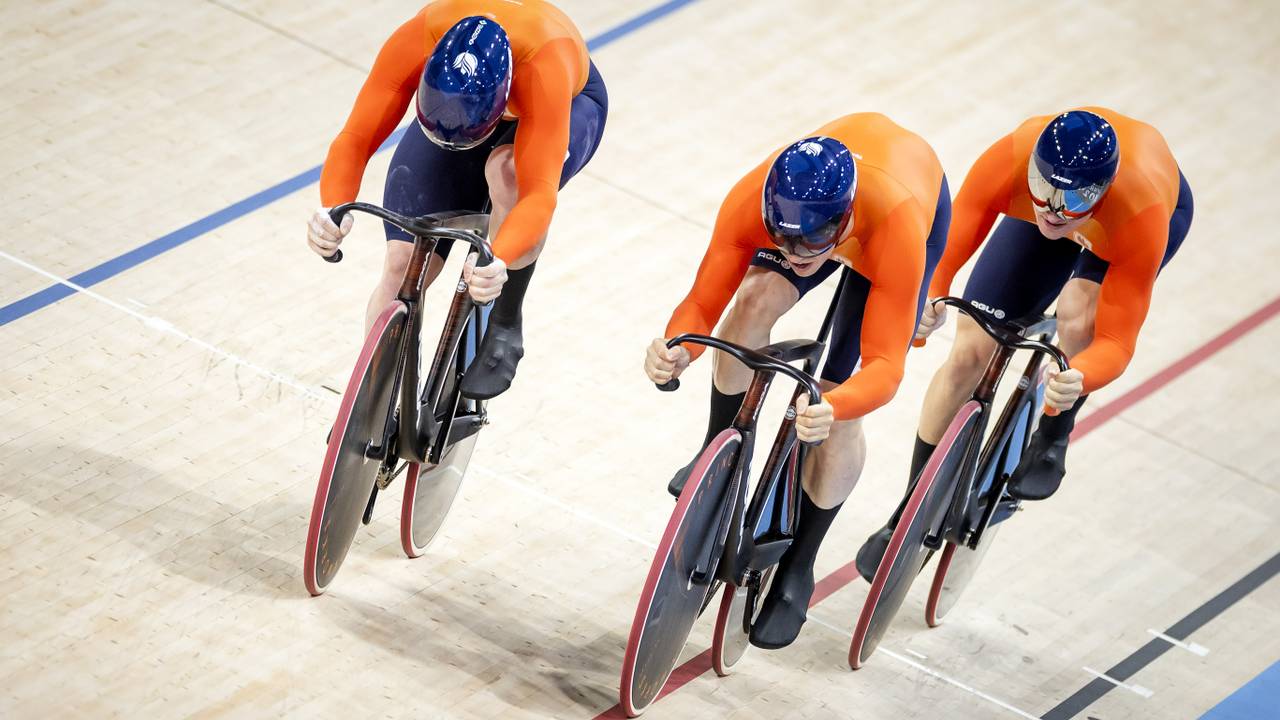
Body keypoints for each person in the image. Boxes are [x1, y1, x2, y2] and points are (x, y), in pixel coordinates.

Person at [644, 113, 949, 649]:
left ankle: (798, 567)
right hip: (838, 210)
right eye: (783, 242)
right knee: (753, 301)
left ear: (842, 220)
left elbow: (885, 369)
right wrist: (678, 348)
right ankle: (719, 449)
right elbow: (701, 304)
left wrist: (839, 405)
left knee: (837, 399)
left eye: (811, 244)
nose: (795, 257)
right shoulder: (754, 201)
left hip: (899, 216)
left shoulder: (895, 227)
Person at [856, 108, 1193, 582]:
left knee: (1079, 316)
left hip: (1130, 217)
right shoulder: (1011, 162)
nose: (1053, 208)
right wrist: (931, 298)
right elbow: (944, 255)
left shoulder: (1142, 214)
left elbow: (1117, 341)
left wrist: (1082, 376)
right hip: (1078, 206)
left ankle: (1054, 435)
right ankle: (909, 512)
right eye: (1045, 188)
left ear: (1098, 189)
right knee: (968, 354)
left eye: (1070, 197)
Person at [306, 0, 608, 399]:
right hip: (463, 106)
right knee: (401, 265)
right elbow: (356, 137)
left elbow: (539, 195)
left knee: (508, 173)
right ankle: (371, 400)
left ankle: (502, 320)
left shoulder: (543, 66)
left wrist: (499, 259)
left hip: (569, 104)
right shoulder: (420, 36)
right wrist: (333, 207)